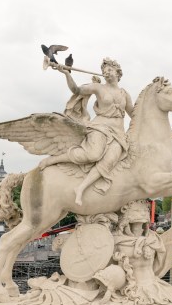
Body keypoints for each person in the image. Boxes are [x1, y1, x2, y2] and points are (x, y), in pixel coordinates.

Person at [38, 58, 134, 206]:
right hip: (99, 128)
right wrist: (66, 74)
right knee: (93, 154)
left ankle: (81, 188)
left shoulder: (124, 94)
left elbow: (134, 114)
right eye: (104, 71)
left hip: (118, 134)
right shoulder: (98, 88)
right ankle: (53, 160)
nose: (106, 73)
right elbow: (76, 90)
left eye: (109, 70)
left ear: (117, 72)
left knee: (108, 161)